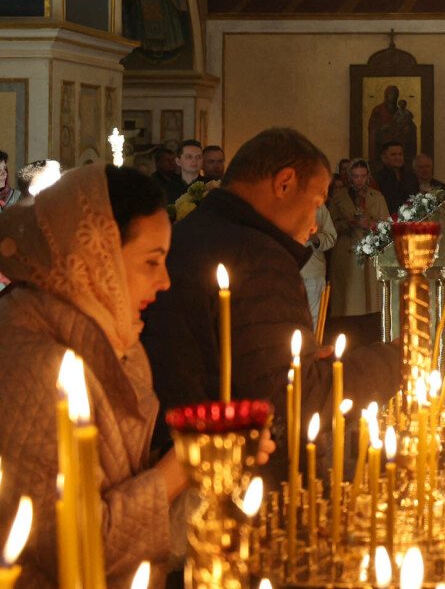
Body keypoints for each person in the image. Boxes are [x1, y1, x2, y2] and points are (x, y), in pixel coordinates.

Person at [0, 165, 274, 589]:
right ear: (96, 257)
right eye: (151, 261)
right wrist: (187, 460)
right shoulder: (33, 364)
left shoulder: (104, 339)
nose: (164, 281)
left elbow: (118, 477)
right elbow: (71, 549)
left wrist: (216, 455)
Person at [141, 128, 400, 480]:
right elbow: (293, 403)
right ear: (284, 183)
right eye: (316, 202)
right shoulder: (258, 256)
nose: (313, 226)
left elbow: (244, 362)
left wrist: (305, 362)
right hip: (239, 480)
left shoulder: (191, 231)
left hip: (190, 454)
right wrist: (395, 361)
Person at [328, 160, 390, 344]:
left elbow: (387, 226)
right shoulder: (339, 197)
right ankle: (348, 339)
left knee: (370, 301)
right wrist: (349, 224)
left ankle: (369, 339)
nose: (359, 180)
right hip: (347, 251)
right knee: (349, 302)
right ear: (349, 177)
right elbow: (330, 226)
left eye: (363, 176)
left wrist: (370, 224)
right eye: (355, 176)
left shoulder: (376, 197)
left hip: (369, 252)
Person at [301, 204, 337, 329]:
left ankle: (312, 348)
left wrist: (315, 238)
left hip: (313, 272)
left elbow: (331, 237)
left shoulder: (318, 206)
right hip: (287, 270)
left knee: (314, 319)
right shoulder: (283, 202)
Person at [373, 141, 418, 213]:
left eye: (400, 154)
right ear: (383, 157)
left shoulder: (411, 177)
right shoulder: (377, 179)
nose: (398, 157)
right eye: (393, 155)